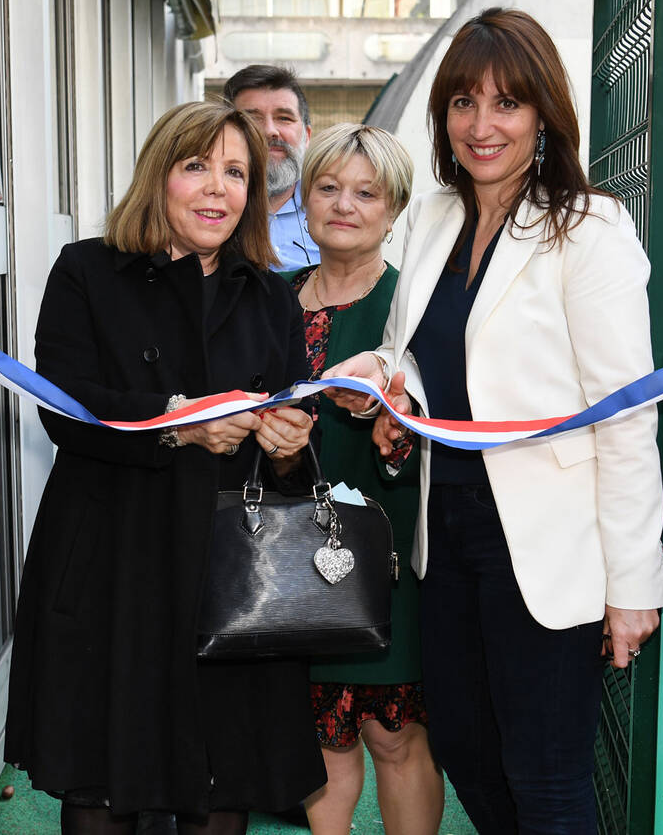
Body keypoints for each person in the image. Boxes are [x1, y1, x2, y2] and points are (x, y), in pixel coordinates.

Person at [324, 9, 663, 834]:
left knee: (545, 778)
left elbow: (626, 414)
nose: (482, 126)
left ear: (543, 113)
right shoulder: (434, 217)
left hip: (546, 548)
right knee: (466, 751)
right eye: (463, 102)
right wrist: (385, 380)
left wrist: (632, 585)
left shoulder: (589, 228)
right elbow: (411, 348)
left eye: (507, 103)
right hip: (443, 533)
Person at [4, 100, 324, 835]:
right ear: (159, 175)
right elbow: (64, 409)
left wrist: (288, 447)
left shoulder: (271, 296)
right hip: (113, 566)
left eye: (236, 173)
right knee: (100, 783)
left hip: (231, 577)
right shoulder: (86, 270)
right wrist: (179, 424)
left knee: (223, 784)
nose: (217, 189)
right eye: (196, 166)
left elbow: (298, 447)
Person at [283, 123, 444, 834]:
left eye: (366, 193)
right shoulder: (267, 299)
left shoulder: (417, 308)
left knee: (393, 735)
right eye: (327, 187)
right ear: (303, 198)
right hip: (283, 557)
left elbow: (441, 425)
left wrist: (399, 433)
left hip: (386, 552)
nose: (344, 205)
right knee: (322, 736)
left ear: (395, 208)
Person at [224, 64, 322, 271]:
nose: (270, 131)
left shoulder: (334, 209)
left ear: (307, 136)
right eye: (252, 119)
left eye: (284, 118)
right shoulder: (207, 207)